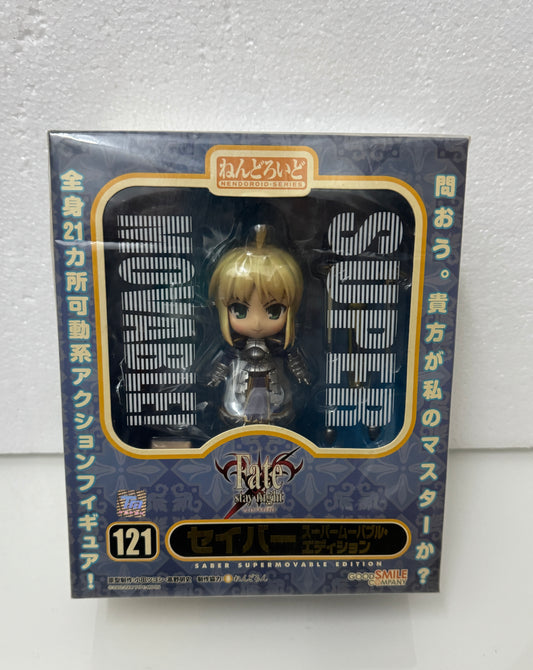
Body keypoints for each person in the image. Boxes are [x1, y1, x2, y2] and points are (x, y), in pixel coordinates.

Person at [207, 225, 310, 426]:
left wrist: (301, 373)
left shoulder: (277, 345)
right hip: (240, 386)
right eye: (239, 310)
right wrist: (216, 376)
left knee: (275, 403)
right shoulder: (237, 345)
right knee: (238, 401)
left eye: (274, 311)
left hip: (273, 386)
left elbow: (293, 358)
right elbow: (225, 361)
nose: (256, 323)